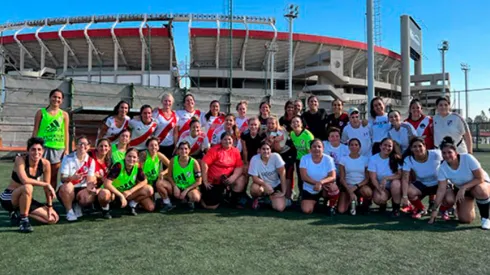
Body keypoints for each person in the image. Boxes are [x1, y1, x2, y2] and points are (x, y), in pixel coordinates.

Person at [429, 137, 490, 230]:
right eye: (444, 153)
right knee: (465, 219)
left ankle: (485, 218)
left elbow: (480, 178)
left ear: (456, 152)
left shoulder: (467, 158)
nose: (447, 155)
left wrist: (463, 187)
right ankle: (470, 204)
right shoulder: (442, 168)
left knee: (480, 190)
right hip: (463, 190)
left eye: (449, 152)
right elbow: (441, 190)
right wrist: (434, 210)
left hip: (478, 184)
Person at [0, 137, 58, 233]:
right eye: (33, 149)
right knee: (28, 187)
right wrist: (46, 184)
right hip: (9, 197)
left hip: (25, 198)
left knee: (52, 219)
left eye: (39, 149)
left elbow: (46, 188)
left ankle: (19, 213)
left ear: (43, 151)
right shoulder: (20, 159)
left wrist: (50, 206)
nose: (36, 152)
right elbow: (25, 180)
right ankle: (24, 221)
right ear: (28, 151)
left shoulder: (45, 164)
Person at [98, 148, 155, 218]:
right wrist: (120, 196)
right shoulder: (119, 165)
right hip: (113, 193)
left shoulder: (137, 166)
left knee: (149, 190)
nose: (131, 159)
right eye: (129, 156)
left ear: (137, 159)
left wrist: (130, 191)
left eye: (134, 157)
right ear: (125, 156)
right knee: (104, 193)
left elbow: (145, 181)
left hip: (126, 193)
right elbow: (107, 184)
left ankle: (132, 205)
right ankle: (105, 209)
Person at [32, 89, 69, 189]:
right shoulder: (41, 112)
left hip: (57, 148)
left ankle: (50, 202)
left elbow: (66, 132)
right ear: (50, 98)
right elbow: (35, 130)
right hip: (42, 147)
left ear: (62, 100)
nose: (56, 99)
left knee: (52, 177)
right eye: (54, 96)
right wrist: (32, 146)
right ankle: (29, 199)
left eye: (59, 98)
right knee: (34, 175)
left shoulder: (64, 115)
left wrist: (66, 149)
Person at [201, 133, 246, 209]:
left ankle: (233, 201)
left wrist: (233, 177)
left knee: (241, 179)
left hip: (227, 179)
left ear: (233, 141)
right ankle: (201, 200)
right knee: (213, 206)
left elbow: (239, 166)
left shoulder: (236, 151)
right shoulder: (214, 150)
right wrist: (205, 181)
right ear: (221, 141)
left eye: (229, 139)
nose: (227, 141)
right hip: (213, 181)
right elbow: (204, 163)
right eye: (225, 139)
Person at [401, 137, 443, 219]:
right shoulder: (408, 159)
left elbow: (450, 164)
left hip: (439, 183)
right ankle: (421, 209)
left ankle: (445, 209)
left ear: (425, 146)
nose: (417, 148)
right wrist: (405, 197)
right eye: (414, 146)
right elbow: (405, 179)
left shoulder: (436, 154)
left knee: (449, 197)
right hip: (422, 184)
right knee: (410, 191)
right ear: (411, 149)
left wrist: (450, 182)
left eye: (420, 146)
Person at [57, 136, 97, 222]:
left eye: (85, 144)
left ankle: (77, 205)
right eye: (80, 144)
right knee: (68, 186)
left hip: (81, 188)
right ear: (76, 146)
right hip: (67, 189)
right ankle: (69, 211)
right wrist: (72, 178)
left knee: (89, 196)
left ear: (89, 146)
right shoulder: (68, 158)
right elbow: (63, 179)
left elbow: (89, 179)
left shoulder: (91, 161)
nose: (83, 146)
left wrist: (91, 186)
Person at [299, 139, 337, 214]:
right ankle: (316, 203)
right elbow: (304, 177)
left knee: (334, 188)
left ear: (323, 149)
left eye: (319, 147)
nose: (317, 148)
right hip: (309, 189)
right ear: (310, 149)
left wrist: (320, 183)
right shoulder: (304, 158)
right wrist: (317, 183)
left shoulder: (328, 159)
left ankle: (331, 205)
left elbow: (333, 176)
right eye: (314, 146)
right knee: (307, 210)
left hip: (324, 187)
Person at [368, 138, 403, 217]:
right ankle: (383, 204)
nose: (387, 148)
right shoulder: (373, 159)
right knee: (379, 198)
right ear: (380, 146)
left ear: (392, 148)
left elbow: (400, 175)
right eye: (385, 145)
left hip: (394, 186)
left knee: (396, 183)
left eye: (389, 146)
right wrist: (380, 190)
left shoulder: (396, 158)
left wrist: (386, 178)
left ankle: (396, 208)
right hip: (381, 186)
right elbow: (373, 178)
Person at [249, 141, 287, 211]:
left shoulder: (276, 156)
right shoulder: (254, 159)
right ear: (259, 150)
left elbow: (282, 174)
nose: (266, 151)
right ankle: (257, 199)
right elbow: (254, 178)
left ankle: (267, 200)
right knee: (254, 188)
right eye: (263, 149)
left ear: (270, 150)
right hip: (263, 186)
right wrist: (265, 184)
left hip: (275, 186)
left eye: (268, 149)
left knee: (280, 208)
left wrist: (283, 192)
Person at [265, 116, 296, 204]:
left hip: (287, 154)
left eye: (273, 123)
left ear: (276, 124)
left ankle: (288, 197)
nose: (270, 125)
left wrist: (273, 141)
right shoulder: (267, 132)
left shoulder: (282, 132)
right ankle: (272, 194)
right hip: (276, 154)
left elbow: (278, 148)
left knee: (287, 174)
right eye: (269, 123)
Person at [165, 141, 203, 211]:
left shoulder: (194, 162)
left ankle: (188, 200)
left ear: (189, 150)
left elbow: (199, 181)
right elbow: (169, 176)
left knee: (196, 197)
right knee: (160, 184)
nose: (183, 151)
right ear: (178, 150)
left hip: (189, 187)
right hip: (177, 186)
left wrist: (186, 190)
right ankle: (167, 202)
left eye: (186, 149)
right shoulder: (173, 160)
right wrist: (175, 186)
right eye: (181, 149)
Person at [338, 138, 372, 215]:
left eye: (356, 145)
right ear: (348, 147)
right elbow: (342, 179)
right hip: (347, 186)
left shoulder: (365, 159)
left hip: (360, 185)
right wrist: (350, 191)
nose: (354, 147)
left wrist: (356, 186)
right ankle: (351, 201)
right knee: (341, 210)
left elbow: (367, 178)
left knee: (367, 192)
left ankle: (365, 205)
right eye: (351, 145)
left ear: (359, 147)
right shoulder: (343, 159)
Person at [139, 137, 171, 211]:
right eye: (151, 145)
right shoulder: (143, 154)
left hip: (154, 181)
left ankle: (167, 202)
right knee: (151, 208)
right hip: (143, 183)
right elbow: (138, 171)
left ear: (158, 147)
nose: (154, 147)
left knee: (160, 183)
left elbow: (171, 166)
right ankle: (135, 202)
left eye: (156, 145)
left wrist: (163, 172)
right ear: (147, 147)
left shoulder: (159, 155)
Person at [290, 116, 315, 195]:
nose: (295, 124)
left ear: (301, 124)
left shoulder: (307, 135)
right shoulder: (292, 134)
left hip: (308, 160)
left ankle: (311, 195)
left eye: (297, 122)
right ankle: (301, 196)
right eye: (293, 122)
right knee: (300, 179)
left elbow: (311, 152)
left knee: (308, 178)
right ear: (291, 125)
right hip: (299, 160)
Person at [153, 94, 178, 159]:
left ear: (172, 103)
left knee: (168, 166)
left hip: (170, 145)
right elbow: (151, 128)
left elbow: (175, 133)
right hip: (157, 145)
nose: (167, 103)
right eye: (165, 101)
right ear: (162, 101)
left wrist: (176, 146)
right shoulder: (156, 113)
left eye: (169, 101)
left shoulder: (175, 115)